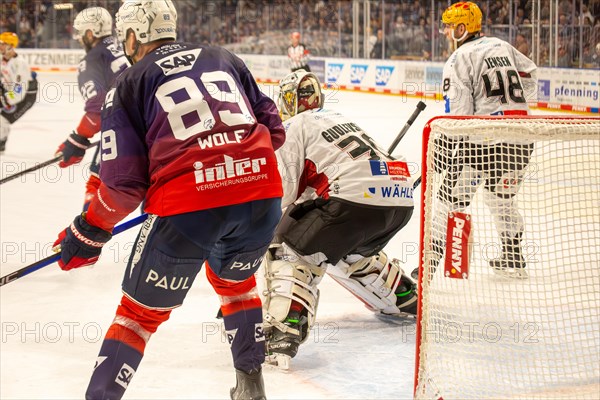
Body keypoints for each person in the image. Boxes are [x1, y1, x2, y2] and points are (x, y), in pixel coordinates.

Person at [52, 1, 285, 399]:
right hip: (261, 196)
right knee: (237, 284)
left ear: (132, 36)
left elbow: (123, 187)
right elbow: (274, 129)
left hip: (189, 209)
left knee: (137, 316)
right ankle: (251, 386)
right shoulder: (224, 58)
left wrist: (88, 230)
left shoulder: (128, 83)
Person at [260, 69, 417, 368]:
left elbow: (285, 194)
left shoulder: (294, 125)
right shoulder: (339, 118)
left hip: (353, 199)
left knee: (289, 248)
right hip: (399, 198)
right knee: (341, 247)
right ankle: (402, 293)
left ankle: (285, 327)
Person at [419, 1, 537, 280]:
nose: (447, 32)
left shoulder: (459, 58)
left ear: (462, 28)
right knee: (501, 199)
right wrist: (509, 104)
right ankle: (513, 255)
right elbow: (530, 74)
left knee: (449, 201)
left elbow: (459, 114)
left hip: (483, 142)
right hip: (520, 137)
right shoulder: (502, 45)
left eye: (450, 27)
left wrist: (445, 147)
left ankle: (429, 267)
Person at [54, 7, 129, 210]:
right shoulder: (124, 46)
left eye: (80, 33)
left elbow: (97, 108)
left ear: (90, 33)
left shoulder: (93, 58)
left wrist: (77, 140)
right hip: (156, 125)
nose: (79, 38)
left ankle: (83, 238)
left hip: (126, 129)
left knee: (97, 185)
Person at [0, 31, 38, 153]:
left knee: (3, 118)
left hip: (26, 96)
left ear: (11, 46)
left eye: (3, 44)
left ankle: (1, 142)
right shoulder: (2, 58)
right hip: (10, 90)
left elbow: (18, 92)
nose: (0, 46)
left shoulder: (20, 64)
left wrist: (4, 100)